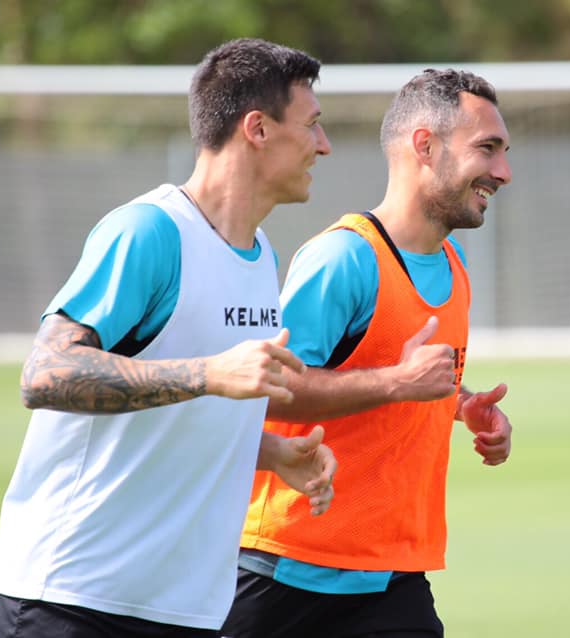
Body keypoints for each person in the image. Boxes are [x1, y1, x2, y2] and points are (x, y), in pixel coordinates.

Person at [0, 38, 336, 638]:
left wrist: (268, 454)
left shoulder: (260, 258)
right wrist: (208, 373)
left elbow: (172, 407)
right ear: (257, 128)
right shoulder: (149, 231)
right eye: (312, 126)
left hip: (185, 610)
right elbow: (45, 374)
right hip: (74, 599)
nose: (323, 145)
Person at [220, 68, 515, 638]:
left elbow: (400, 375)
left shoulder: (455, 267)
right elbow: (271, 393)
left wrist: (462, 403)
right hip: (285, 574)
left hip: (393, 579)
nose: (503, 171)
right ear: (425, 146)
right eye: (488, 149)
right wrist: (396, 383)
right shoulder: (343, 258)